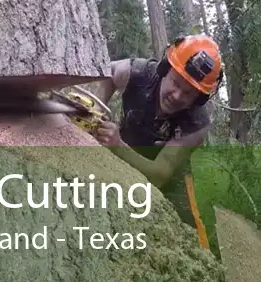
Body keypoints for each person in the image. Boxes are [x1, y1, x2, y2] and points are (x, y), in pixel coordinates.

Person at [93, 34, 224, 250]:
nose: (177, 95)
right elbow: (109, 73)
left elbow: (161, 174)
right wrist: (97, 109)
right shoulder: (138, 72)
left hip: (169, 176)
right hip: (126, 152)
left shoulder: (197, 124)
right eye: (175, 82)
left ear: (199, 99)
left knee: (192, 233)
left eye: (188, 93)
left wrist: (116, 146)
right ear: (164, 69)